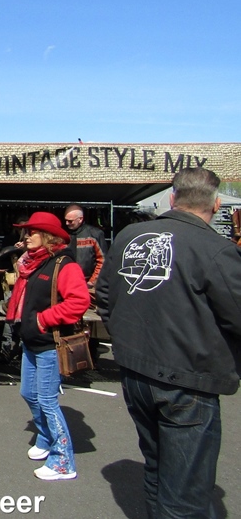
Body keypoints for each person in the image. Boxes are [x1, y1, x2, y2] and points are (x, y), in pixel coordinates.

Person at [96, 167, 241, 518]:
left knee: (159, 469)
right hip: (187, 378)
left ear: (173, 198)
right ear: (216, 205)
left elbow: (104, 296)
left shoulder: (130, 235)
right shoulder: (215, 249)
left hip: (137, 370)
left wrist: (127, 340)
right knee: (185, 492)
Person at [6, 212, 90, 481]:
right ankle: (46, 438)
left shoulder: (64, 264)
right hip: (32, 342)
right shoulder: (31, 263)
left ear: (49, 236)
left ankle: (63, 461)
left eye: (33, 232)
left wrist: (44, 319)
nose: (26, 236)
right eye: (26, 231)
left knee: (47, 401)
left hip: (50, 344)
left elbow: (79, 301)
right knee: (28, 394)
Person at [63, 204, 107, 291]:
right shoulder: (63, 234)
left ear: (80, 219)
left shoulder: (94, 234)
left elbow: (103, 260)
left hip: (87, 284)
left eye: (70, 221)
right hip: (65, 283)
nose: (67, 223)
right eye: (66, 220)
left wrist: (91, 283)